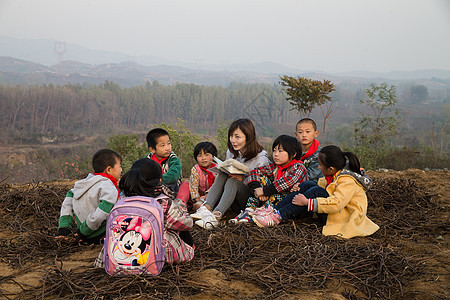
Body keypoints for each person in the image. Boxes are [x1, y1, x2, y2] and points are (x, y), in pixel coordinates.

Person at [251, 145, 380, 239]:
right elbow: (320, 186)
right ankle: (273, 210)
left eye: (320, 165)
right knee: (308, 184)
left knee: (316, 191)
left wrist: (308, 202)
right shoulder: (335, 174)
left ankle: (278, 216)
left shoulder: (347, 181)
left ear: (331, 168)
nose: (318, 167)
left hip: (343, 217)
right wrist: (299, 188)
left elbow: (337, 203)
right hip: (336, 213)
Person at [191, 118, 270, 229]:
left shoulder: (261, 159)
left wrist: (243, 179)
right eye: (231, 136)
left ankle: (216, 216)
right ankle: (206, 208)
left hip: (252, 203)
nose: (233, 140)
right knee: (224, 172)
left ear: (248, 137)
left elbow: (262, 187)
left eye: (237, 137)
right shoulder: (232, 152)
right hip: (232, 199)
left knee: (233, 181)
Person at [117, 158, 194, 263]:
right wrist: (182, 206)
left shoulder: (121, 200)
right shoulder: (162, 202)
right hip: (157, 256)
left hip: (121, 253)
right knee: (178, 225)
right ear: (160, 181)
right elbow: (186, 224)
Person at [230, 135, 308, 223]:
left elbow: (288, 182)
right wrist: (257, 190)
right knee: (262, 178)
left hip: (290, 205)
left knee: (275, 195)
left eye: (280, 151)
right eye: (274, 150)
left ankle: (261, 215)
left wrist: (265, 191)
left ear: (293, 154)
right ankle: (249, 211)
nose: (276, 154)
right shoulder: (275, 167)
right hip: (270, 199)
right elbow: (254, 172)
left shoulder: (299, 167)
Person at [57, 149, 122, 244]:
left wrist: (64, 229)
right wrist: (82, 232)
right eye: (119, 166)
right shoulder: (108, 186)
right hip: (100, 235)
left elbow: (66, 205)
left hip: (84, 234)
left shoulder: (80, 185)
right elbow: (102, 214)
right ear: (108, 169)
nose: (121, 170)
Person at [146, 128, 182, 194]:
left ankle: (179, 201)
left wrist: (160, 180)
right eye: (163, 145)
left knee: (185, 186)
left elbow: (174, 175)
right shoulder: (147, 160)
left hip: (172, 188)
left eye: (169, 143)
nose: (168, 148)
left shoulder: (173, 159)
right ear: (152, 149)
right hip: (154, 188)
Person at [188, 141, 218, 210]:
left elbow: (217, 185)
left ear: (213, 156)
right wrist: (198, 200)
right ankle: (198, 206)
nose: (203, 158)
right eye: (200, 155)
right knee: (186, 184)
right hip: (199, 197)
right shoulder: (195, 169)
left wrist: (207, 195)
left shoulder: (217, 169)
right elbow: (193, 187)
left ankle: (210, 205)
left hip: (214, 196)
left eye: (206, 155)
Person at [295, 118, 323, 183]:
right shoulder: (292, 152)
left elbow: (311, 176)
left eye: (308, 132)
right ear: (296, 135)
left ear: (316, 133)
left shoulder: (320, 155)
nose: (304, 135)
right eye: (300, 132)